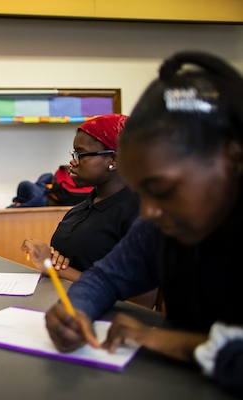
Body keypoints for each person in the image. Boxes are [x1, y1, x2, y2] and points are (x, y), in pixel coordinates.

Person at [44, 52, 243, 397]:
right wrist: (75, 310)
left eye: (163, 189)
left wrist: (165, 339)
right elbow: (105, 277)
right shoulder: (161, 227)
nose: (148, 212)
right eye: (140, 191)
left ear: (233, 159)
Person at [21, 114, 139, 282]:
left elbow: (138, 302)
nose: (72, 162)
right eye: (74, 153)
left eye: (81, 154)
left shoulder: (139, 215)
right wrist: (54, 261)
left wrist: (54, 268)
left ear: (113, 159)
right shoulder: (81, 209)